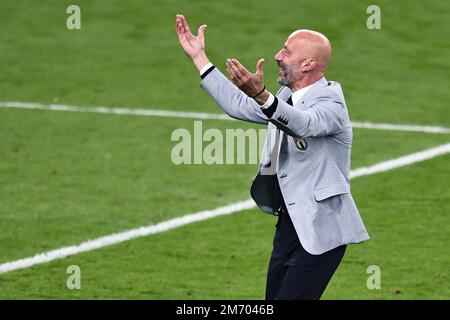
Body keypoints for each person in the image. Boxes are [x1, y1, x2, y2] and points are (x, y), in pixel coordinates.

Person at [175, 14, 369, 300]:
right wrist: (200, 58)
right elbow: (239, 105)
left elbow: (303, 124)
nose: (278, 55)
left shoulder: (332, 103)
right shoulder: (286, 96)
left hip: (321, 230)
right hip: (289, 225)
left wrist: (263, 96)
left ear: (308, 64)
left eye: (287, 52)